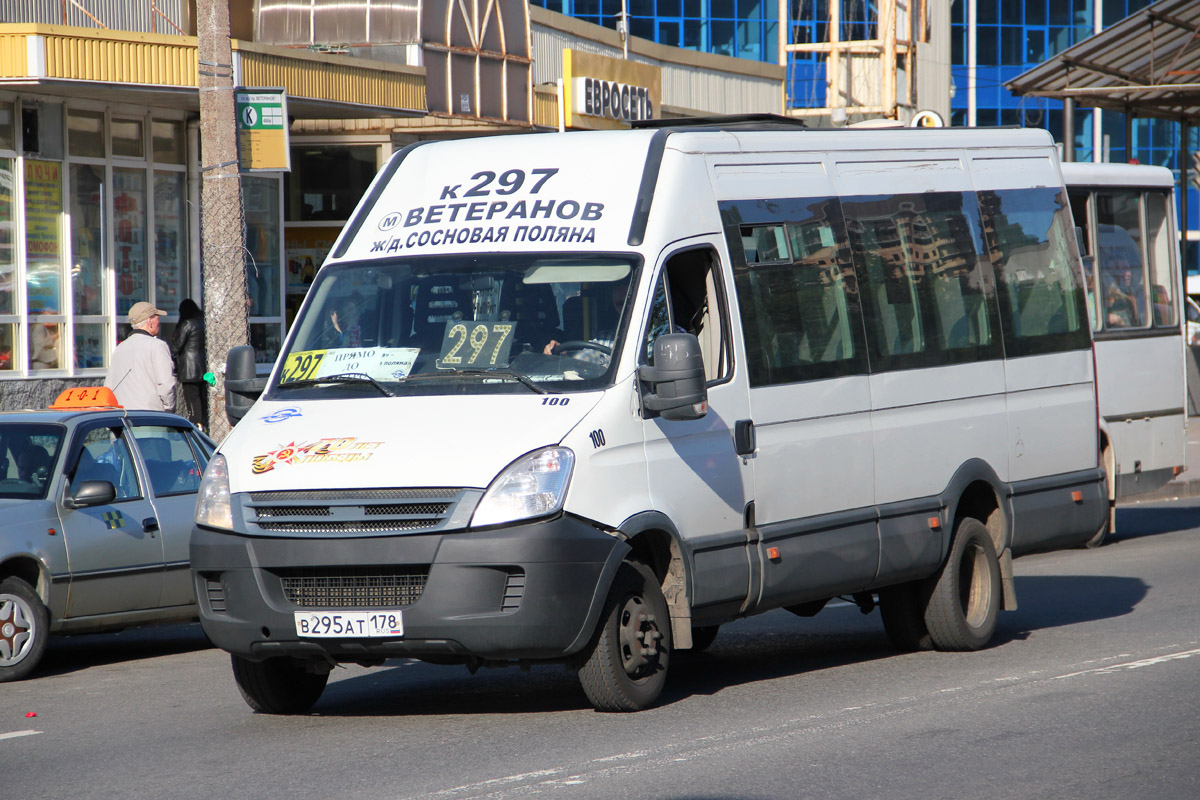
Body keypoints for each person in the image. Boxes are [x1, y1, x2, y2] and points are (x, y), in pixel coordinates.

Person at [104, 301, 175, 411]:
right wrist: (169, 409)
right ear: (149, 321)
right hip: (151, 417)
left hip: (123, 418)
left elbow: (109, 387)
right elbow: (166, 385)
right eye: (157, 318)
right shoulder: (157, 346)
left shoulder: (119, 349)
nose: (159, 322)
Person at [171, 298, 207, 427]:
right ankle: (203, 423)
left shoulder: (187, 324)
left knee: (192, 399)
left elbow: (177, 346)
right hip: (203, 366)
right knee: (202, 398)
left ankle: (196, 423)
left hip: (189, 368)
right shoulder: (203, 321)